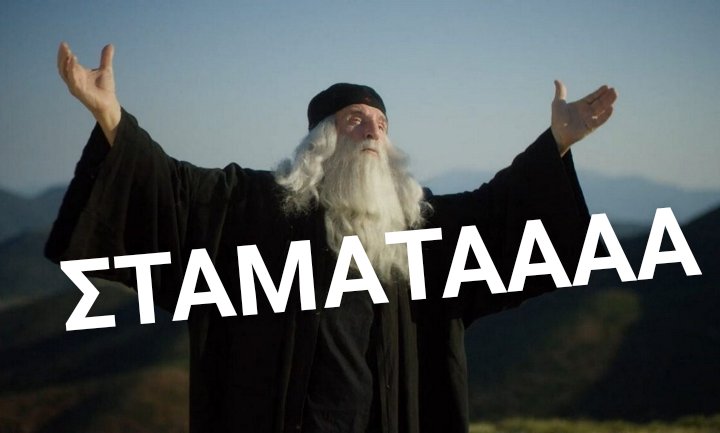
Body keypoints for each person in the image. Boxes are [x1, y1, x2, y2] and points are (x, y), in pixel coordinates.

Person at [47, 42, 617, 433]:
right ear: (322, 139)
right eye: (356, 120)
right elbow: (172, 192)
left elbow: (499, 213)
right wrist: (112, 118)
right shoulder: (257, 208)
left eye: (382, 125)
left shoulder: (418, 227)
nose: (373, 131)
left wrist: (556, 144)